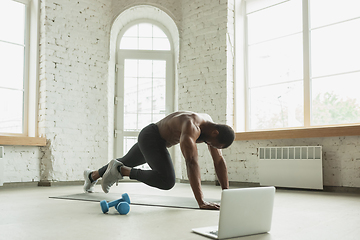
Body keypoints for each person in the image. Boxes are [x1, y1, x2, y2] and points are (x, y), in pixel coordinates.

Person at [83, 111, 235, 210]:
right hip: (152, 137)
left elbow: (219, 161)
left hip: (153, 138)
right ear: (215, 133)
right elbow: (192, 163)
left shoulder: (210, 126)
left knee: (124, 160)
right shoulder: (192, 126)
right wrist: (201, 201)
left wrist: (226, 194)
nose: (213, 147)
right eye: (215, 144)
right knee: (167, 180)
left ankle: (91, 176)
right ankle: (121, 171)